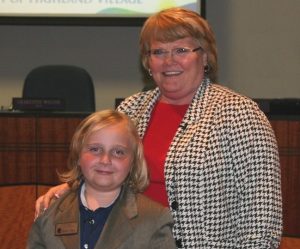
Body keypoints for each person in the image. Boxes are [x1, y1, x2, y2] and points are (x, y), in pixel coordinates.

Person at [35, 7, 282, 248]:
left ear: (204, 56)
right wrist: (72, 188)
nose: (169, 61)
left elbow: (262, 219)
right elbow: (105, 167)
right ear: (148, 62)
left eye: (181, 50)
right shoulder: (131, 109)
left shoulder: (239, 113)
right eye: (159, 52)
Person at [27, 110, 176, 249]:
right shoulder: (49, 213)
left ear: (133, 162)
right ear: (78, 155)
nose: (105, 160)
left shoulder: (154, 218)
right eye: (95, 149)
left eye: (118, 152)